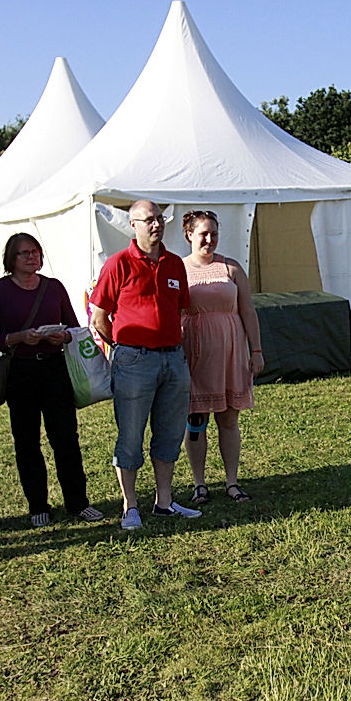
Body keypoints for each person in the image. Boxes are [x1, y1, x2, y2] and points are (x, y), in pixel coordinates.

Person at [88, 200, 201, 529]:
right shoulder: (118, 264)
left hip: (172, 359)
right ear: (133, 225)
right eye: (148, 220)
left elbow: (182, 309)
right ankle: (130, 506)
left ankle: (164, 502)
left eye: (159, 219)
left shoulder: (174, 264)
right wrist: (124, 348)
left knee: (169, 433)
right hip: (134, 360)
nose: (156, 225)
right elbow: (99, 318)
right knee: (131, 435)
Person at [0, 233, 103, 527]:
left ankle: (78, 502)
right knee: (27, 440)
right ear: (11, 258)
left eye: (35, 251)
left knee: (66, 438)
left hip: (54, 368)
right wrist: (18, 338)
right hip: (20, 372)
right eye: (24, 253)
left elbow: (74, 326)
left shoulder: (53, 287)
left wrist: (64, 335)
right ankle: (37, 505)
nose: (31, 257)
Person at [179, 210, 264, 504]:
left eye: (214, 233)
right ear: (189, 234)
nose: (210, 239)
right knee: (196, 419)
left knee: (229, 419)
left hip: (231, 353)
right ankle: (199, 483)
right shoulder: (178, 270)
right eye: (203, 233)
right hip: (196, 353)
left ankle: (231, 481)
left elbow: (248, 311)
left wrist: (256, 350)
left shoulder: (231, 268)